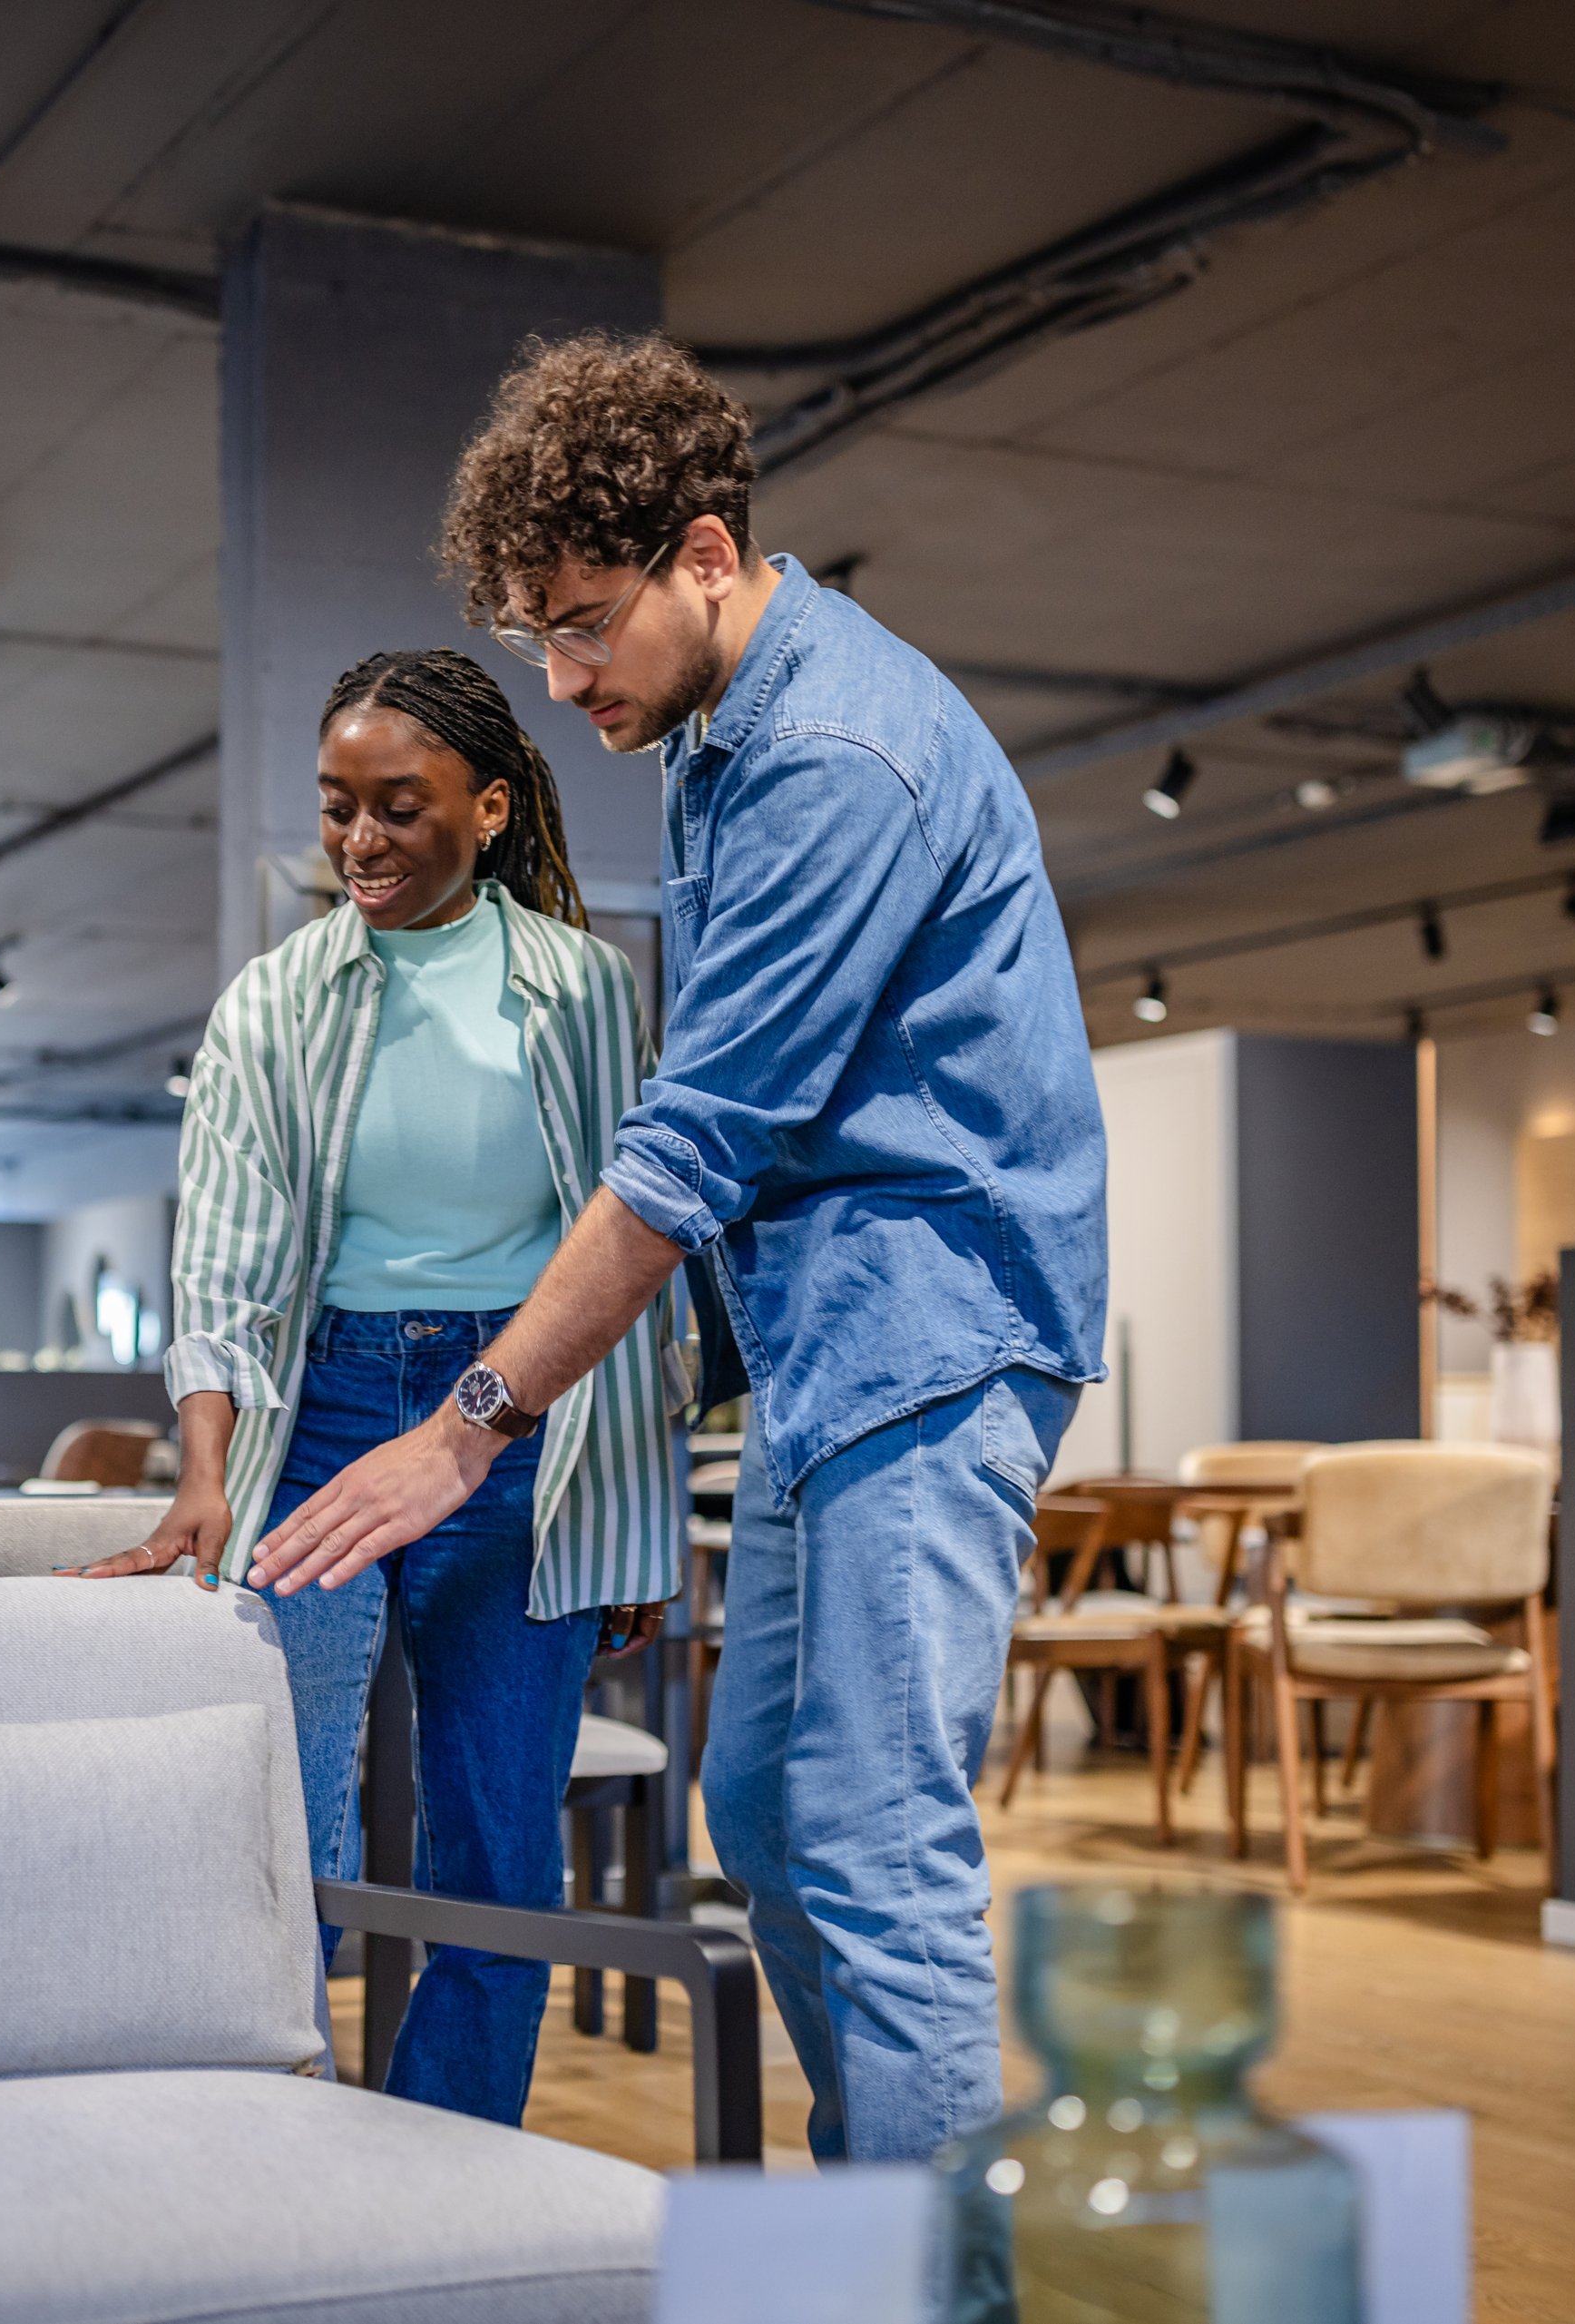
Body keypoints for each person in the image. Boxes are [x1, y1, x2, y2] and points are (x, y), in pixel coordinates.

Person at [249, 335, 1110, 2165]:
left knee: (872, 1827)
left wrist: (472, 1420)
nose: (557, 684)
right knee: (773, 1812)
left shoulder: (829, 759)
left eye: (578, 627)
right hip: (824, 1343)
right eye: (532, 638)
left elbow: (697, 1141)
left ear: (704, 555)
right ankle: (881, 2197)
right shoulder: (725, 734)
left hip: (935, 1331)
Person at [79, 648, 683, 2128]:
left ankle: (447, 2176)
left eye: (400, 807)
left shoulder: (586, 989)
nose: (361, 840)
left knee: (495, 1849)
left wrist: (629, 1509)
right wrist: (208, 1474)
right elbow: (217, 1260)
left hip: (522, 1420)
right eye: (339, 806)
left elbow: (636, 1243)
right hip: (327, 1408)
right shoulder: (272, 1003)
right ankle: (284, 2163)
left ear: (486, 808)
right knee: (286, 1824)